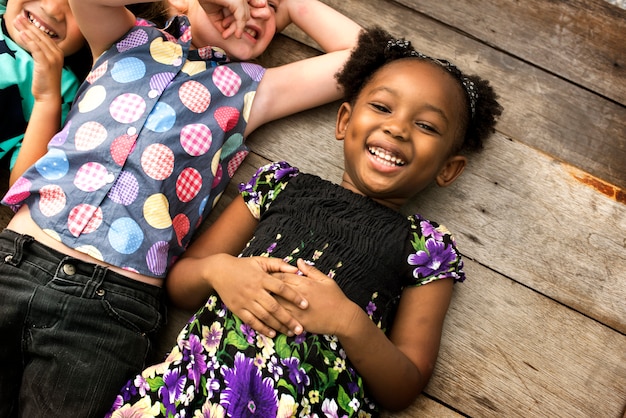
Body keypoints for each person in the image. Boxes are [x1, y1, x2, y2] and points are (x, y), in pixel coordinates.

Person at [107, 26, 503, 417]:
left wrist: (349, 322)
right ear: (344, 121)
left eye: (427, 126)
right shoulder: (278, 186)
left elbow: (404, 386)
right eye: (382, 107)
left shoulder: (425, 249)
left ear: (448, 169)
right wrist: (222, 272)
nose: (397, 128)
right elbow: (179, 286)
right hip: (186, 399)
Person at [0, 0, 361, 416]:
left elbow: (362, 59)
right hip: (15, 261)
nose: (258, 10)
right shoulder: (122, 35)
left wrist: (297, 6)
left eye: (272, 9)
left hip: (109, 310)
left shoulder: (256, 88)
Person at [0, 0, 90, 184]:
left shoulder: (63, 88)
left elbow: (21, 187)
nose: (52, 9)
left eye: (78, 5)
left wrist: (46, 100)